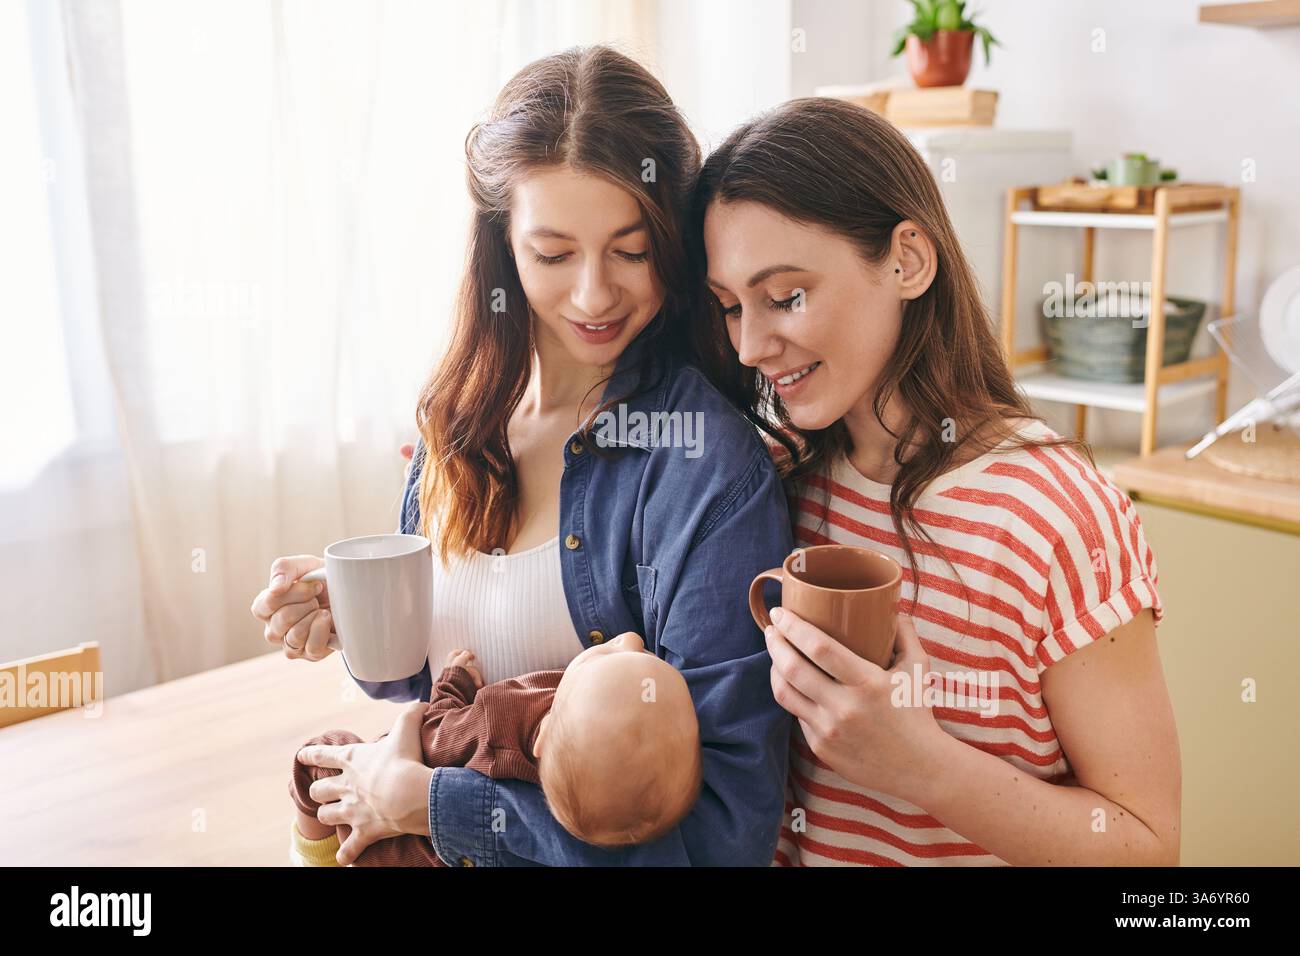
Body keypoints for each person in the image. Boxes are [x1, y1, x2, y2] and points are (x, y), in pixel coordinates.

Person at [250, 46, 793, 866]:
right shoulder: (458, 419)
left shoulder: (706, 471)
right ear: (503, 245)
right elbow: (438, 706)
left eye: (631, 249)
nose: (593, 294)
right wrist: (363, 623)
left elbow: (722, 835)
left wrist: (431, 806)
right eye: (553, 254)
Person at [695, 97, 1181, 866]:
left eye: (786, 296)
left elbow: (1146, 849)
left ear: (908, 261)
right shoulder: (776, 482)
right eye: (730, 307)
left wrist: (921, 765)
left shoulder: (1059, 517)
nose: (753, 344)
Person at [287, 637, 701, 866]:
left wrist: (452, 685)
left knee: (317, 756)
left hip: (381, 845)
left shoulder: (504, 719)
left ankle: (319, 854)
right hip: (450, 850)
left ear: (543, 733)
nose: (632, 638)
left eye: (608, 657)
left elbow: (438, 735)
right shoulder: (588, 789)